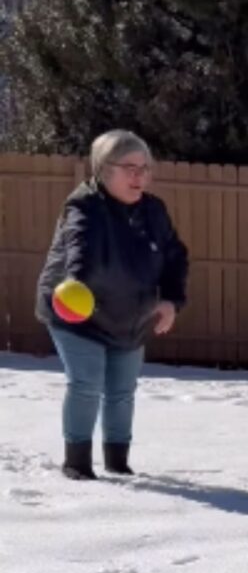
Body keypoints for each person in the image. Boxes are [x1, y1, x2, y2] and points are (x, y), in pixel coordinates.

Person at [35, 129, 189, 480]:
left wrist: (170, 300)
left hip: (130, 312)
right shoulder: (84, 204)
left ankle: (118, 462)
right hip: (77, 311)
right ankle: (77, 462)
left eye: (145, 168)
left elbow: (174, 257)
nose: (139, 176)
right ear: (104, 169)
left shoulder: (154, 211)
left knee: (122, 389)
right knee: (87, 383)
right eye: (130, 167)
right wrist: (75, 280)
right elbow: (80, 244)